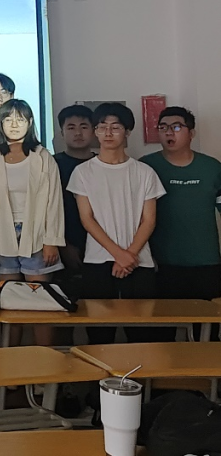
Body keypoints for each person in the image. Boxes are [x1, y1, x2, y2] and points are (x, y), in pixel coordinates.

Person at [69, 103, 165, 344]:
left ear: (128, 132)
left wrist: (129, 255)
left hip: (138, 261)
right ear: (95, 132)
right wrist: (118, 254)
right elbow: (87, 219)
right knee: (99, 335)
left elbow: (149, 220)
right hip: (97, 260)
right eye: (102, 127)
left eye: (115, 127)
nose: (108, 133)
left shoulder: (144, 172)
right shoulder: (83, 172)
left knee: (141, 334)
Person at [0, 99, 64, 346]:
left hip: (37, 235)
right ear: (0, 124)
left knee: (40, 304)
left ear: (30, 123)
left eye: (20, 119)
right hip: (2, 235)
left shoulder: (42, 157)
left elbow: (54, 201)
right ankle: (11, 362)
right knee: (9, 304)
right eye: (8, 119)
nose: (14, 124)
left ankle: (45, 362)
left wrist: (52, 240)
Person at [141, 107, 221, 313]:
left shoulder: (212, 168)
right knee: (164, 322)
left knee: (206, 323)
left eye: (176, 127)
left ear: (191, 133)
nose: (169, 132)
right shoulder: (145, 167)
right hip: (161, 263)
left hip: (206, 261)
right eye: (163, 127)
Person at [54, 105, 95, 269]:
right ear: (62, 133)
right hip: (62, 243)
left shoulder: (102, 163)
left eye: (84, 127)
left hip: (100, 244)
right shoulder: (51, 164)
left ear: (93, 130)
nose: (78, 133)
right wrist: (63, 245)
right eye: (71, 128)